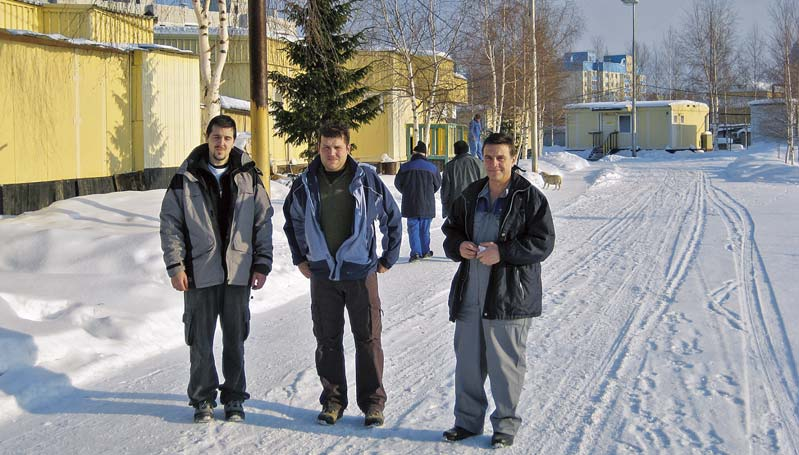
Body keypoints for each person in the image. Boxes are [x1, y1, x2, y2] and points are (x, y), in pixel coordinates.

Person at [283, 123, 402, 428]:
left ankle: (373, 404)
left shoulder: (366, 180)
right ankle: (333, 401)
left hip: (360, 273)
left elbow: (391, 216)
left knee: (368, 339)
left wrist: (389, 255)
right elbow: (292, 221)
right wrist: (300, 257)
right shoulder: (306, 182)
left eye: (337, 147)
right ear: (318, 148)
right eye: (326, 147)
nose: (331, 153)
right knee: (327, 340)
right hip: (323, 275)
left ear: (348, 148)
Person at [441, 132, 555, 448]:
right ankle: (466, 422)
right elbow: (451, 230)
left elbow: (543, 242)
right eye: (488, 157)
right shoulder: (471, 194)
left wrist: (502, 252)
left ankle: (505, 425)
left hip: (508, 295)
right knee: (467, 363)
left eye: (500, 157)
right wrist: (457, 245)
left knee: (506, 366)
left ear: (513, 158)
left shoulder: (529, 197)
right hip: (470, 292)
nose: (493, 164)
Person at [160, 115, 274, 423]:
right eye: (216, 137)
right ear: (207, 138)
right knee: (200, 341)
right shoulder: (185, 177)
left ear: (234, 140)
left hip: (238, 273)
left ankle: (234, 398)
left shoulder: (249, 176)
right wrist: (175, 265)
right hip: (199, 272)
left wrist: (262, 262)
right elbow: (170, 223)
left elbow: (263, 221)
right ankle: (202, 399)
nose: (221, 143)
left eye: (227, 138)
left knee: (235, 340)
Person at [395, 141, 441, 262]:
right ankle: (425, 251)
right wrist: (429, 193)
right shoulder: (432, 168)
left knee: (413, 228)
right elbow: (437, 185)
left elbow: (397, 183)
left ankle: (415, 252)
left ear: (414, 153)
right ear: (425, 154)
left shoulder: (405, 167)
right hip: (427, 203)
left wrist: (406, 192)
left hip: (411, 203)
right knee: (425, 229)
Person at [441, 140, 485, 219]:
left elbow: (445, 190)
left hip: (456, 207)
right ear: (467, 149)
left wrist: (445, 207)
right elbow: (485, 185)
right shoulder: (479, 164)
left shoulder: (450, 166)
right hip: (475, 206)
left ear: (455, 151)